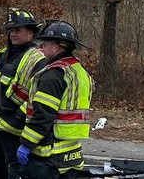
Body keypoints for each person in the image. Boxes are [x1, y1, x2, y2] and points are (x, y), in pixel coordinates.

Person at [16, 21, 94, 179]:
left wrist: (26, 144)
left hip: (49, 156)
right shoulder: (79, 71)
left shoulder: (53, 75)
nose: (41, 49)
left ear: (56, 47)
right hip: (70, 155)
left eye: (44, 44)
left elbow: (44, 114)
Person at [0, 9, 47, 179]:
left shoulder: (37, 59)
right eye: (11, 30)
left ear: (31, 32)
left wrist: (16, 119)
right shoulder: (1, 55)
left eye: (17, 30)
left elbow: (35, 98)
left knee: (15, 173)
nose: (13, 34)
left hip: (17, 132)